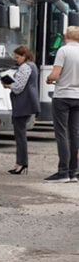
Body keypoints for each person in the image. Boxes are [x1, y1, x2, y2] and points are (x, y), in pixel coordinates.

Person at [44, 26, 79, 183]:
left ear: (65, 36)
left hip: (63, 96)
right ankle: (74, 171)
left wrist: (49, 78)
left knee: (62, 133)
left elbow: (55, 74)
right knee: (75, 134)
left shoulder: (63, 51)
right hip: (78, 97)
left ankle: (63, 171)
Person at [4, 45, 39, 175]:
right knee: (20, 134)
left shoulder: (25, 67)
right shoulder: (33, 66)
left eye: (17, 57)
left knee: (20, 135)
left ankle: (21, 163)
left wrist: (8, 84)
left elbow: (18, 87)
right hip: (28, 103)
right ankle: (20, 162)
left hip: (22, 104)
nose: (16, 60)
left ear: (24, 56)